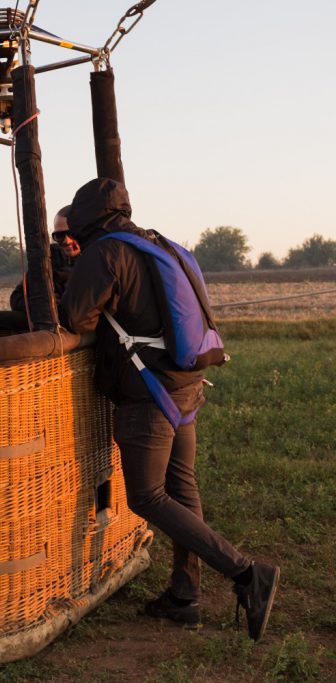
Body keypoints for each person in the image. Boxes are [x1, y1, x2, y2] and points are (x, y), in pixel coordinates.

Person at [60, 177, 279, 641]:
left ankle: (245, 573)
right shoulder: (161, 244)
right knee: (181, 488)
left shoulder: (105, 253)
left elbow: (75, 318)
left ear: (85, 217)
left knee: (146, 496)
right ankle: (184, 595)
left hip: (147, 389)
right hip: (185, 382)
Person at [9, 205, 78, 313]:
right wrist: (43, 304)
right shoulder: (49, 257)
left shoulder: (99, 258)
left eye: (72, 233)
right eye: (60, 235)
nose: (67, 240)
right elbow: (16, 298)